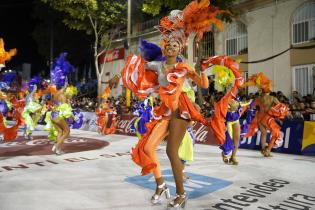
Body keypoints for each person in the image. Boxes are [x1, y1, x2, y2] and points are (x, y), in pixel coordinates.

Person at [121, 1, 226, 208]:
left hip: (180, 112)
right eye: (167, 44)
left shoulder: (184, 66)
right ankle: (160, 185)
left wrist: (203, 68)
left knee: (171, 152)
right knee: (149, 147)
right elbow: (138, 66)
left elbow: (203, 84)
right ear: (164, 46)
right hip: (164, 112)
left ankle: (181, 194)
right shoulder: (157, 65)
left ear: (180, 47)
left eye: (175, 44)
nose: (170, 46)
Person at [242, 73, 290, 157]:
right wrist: (285, 112)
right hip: (267, 118)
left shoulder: (258, 98)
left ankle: (264, 149)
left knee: (263, 133)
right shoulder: (272, 98)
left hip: (259, 118)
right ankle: (267, 150)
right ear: (269, 90)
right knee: (276, 133)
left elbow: (250, 105)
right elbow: (281, 107)